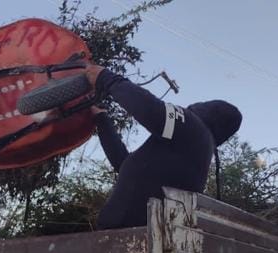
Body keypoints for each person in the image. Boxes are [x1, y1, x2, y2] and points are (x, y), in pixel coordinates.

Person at [83, 65, 242, 230]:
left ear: (206, 108)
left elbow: (151, 110)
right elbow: (122, 163)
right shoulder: (198, 147)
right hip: (141, 238)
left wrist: (106, 78)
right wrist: (101, 119)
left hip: (129, 238)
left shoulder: (193, 127)